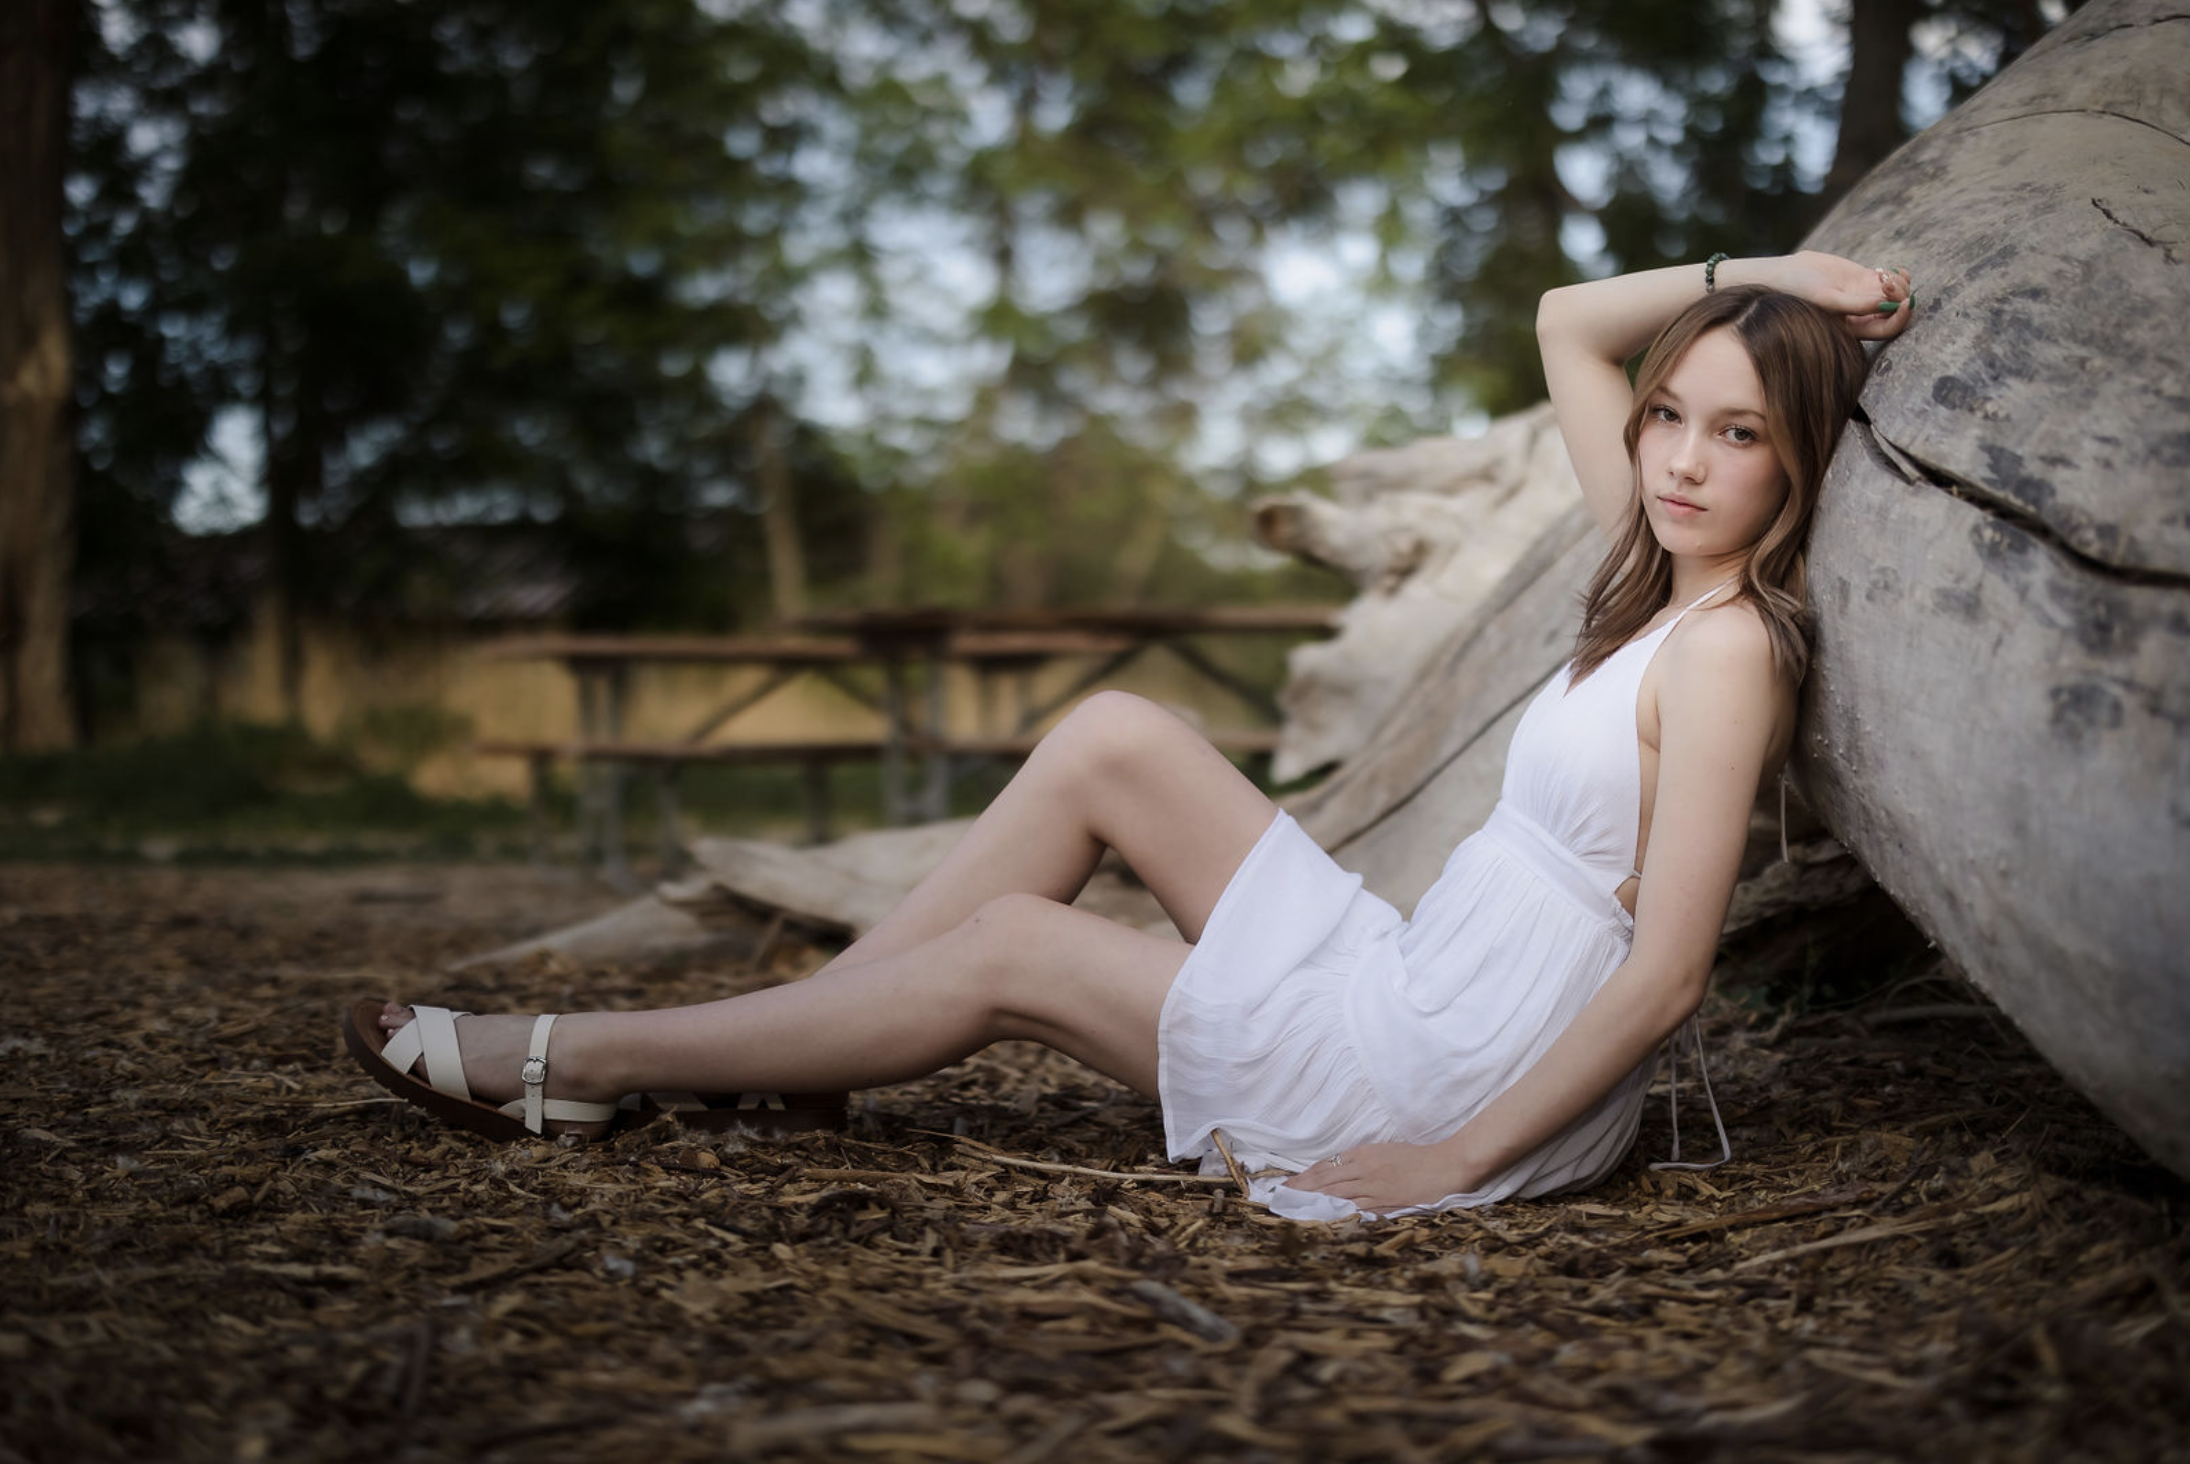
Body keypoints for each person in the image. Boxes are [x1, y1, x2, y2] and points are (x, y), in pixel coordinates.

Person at [345, 250, 1914, 1220]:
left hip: (1437, 1082)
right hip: (1413, 988)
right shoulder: (1652, 576)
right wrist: (1777, 278)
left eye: (1739, 433)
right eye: (1670, 416)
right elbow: (1570, 324)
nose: (1682, 460)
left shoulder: (1722, 656)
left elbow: (1667, 975)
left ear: (1796, 465)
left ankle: (584, 1066)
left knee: (1015, 946)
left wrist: (1448, 1161)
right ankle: (809, 1038)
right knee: (1114, 732)